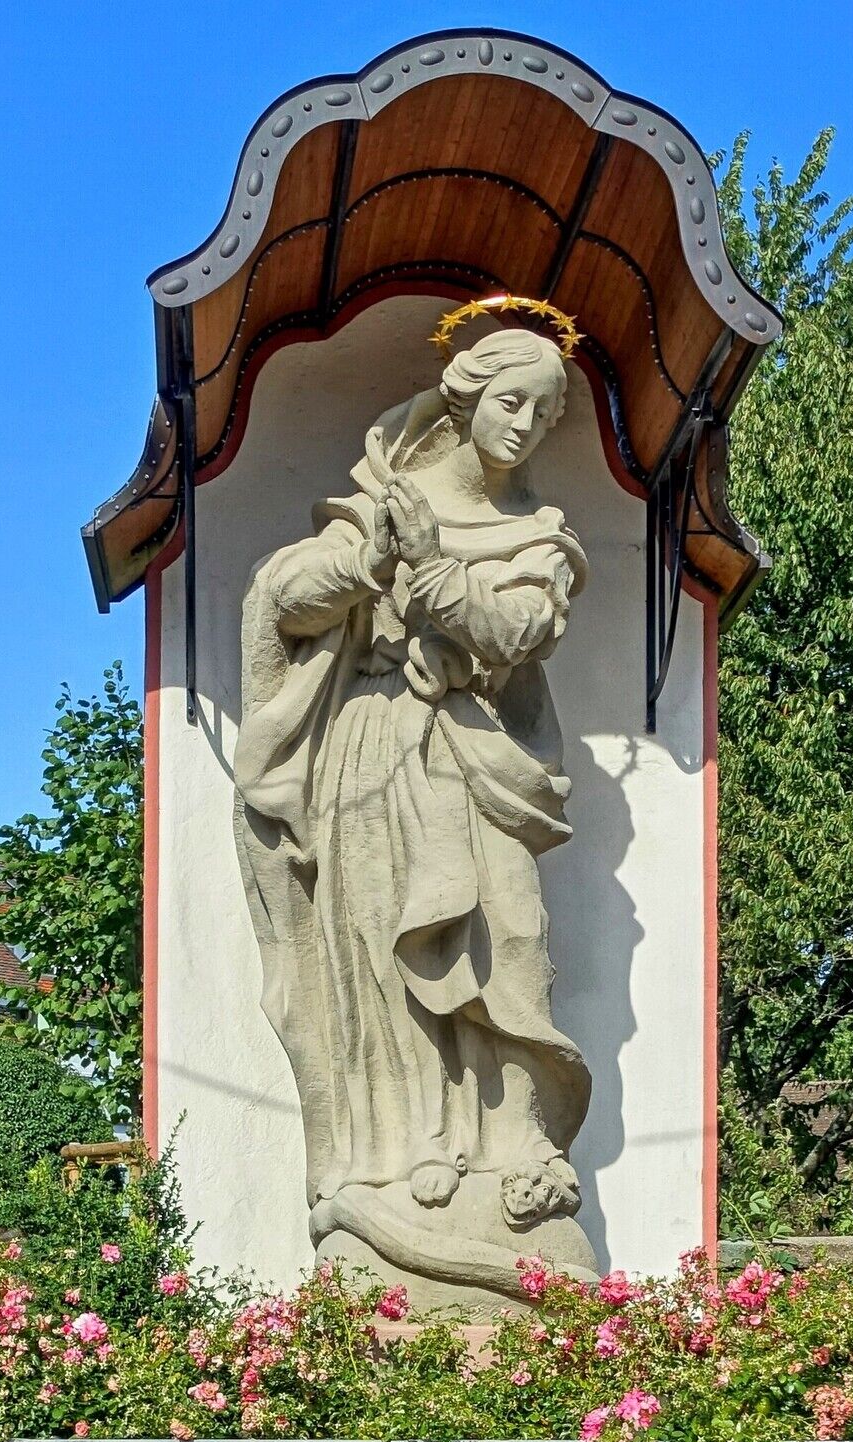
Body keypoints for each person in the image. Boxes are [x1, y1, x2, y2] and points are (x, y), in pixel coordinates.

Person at [232, 304, 600, 1307]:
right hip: (373, 746)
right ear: (469, 396)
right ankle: (407, 1157)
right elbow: (290, 601)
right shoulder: (381, 494)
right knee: (383, 964)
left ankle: (506, 1153)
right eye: (512, 402)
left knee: (510, 943)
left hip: (477, 751)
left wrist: (432, 568)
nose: (526, 425)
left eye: (547, 412)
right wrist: (370, 558)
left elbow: (515, 631)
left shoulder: (540, 535)